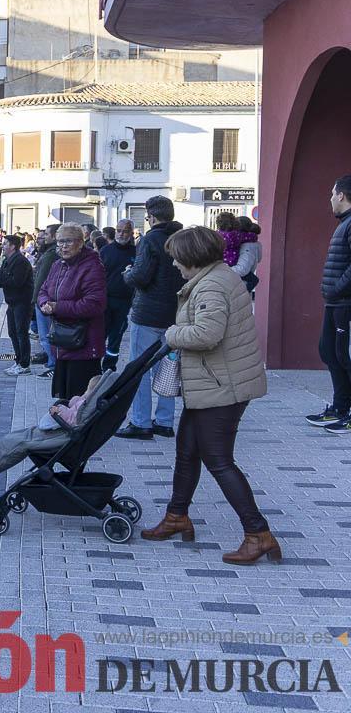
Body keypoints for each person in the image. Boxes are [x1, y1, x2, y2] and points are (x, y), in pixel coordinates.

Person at [141, 226, 280, 565]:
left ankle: (258, 533)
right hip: (214, 384)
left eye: (176, 258)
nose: (173, 263)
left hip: (222, 387)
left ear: (191, 257)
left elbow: (207, 334)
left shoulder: (213, 285)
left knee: (218, 460)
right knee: (187, 451)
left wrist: (172, 333)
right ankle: (177, 517)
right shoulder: (217, 277)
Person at [116, 196, 185, 439]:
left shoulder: (149, 240)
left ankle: (141, 422)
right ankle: (164, 422)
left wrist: (127, 274)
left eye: (146, 217)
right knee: (168, 367)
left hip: (147, 314)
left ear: (152, 217)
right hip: (175, 314)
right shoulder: (182, 239)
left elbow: (141, 277)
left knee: (140, 369)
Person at [38, 222, 107, 400]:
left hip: (83, 344)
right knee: (64, 398)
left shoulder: (92, 266)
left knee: (81, 400)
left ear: (81, 242)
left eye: (68, 241)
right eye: (60, 242)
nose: (63, 246)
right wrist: (45, 303)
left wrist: (58, 307)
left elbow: (94, 304)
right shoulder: (58, 265)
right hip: (62, 343)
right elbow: (43, 290)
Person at [310, 176, 351, 430]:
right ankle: (339, 406)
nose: (330, 199)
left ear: (342, 196)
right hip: (335, 303)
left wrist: (336, 289)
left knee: (344, 356)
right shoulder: (344, 223)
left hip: (345, 302)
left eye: (332, 194)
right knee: (329, 352)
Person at [99, 219, 137, 371]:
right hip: (105, 300)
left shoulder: (136, 252)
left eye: (125, 231)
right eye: (119, 230)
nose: (121, 234)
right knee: (100, 334)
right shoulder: (105, 251)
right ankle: (93, 365)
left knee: (116, 336)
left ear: (131, 233)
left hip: (124, 302)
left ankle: (109, 367)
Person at [0, 235, 34, 375]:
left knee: (21, 332)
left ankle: (24, 364)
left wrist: (1, 279)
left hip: (22, 302)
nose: (3, 246)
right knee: (13, 332)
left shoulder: (20, 261)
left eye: (5, 244)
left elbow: (17, 282)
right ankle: (18, 361)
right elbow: (0, 280)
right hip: (12, 302)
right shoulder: (7, 261)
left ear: (12, 246)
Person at [30, 224, 61, 376]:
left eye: (47, 234)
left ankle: (53, 365)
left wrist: (35, 299)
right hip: (45, 298)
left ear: (55, 236)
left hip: (44, 299)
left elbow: (41, 278)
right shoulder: (50, 252)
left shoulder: (51, 254)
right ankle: (52, 362)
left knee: (46, 335)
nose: (44, 237)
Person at [232, 217, 261, 296]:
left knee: (254, 280)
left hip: (239, 290)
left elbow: (242, 270)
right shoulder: (249, 241)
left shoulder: (247, 246)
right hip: (239, 287)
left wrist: (222, 270)